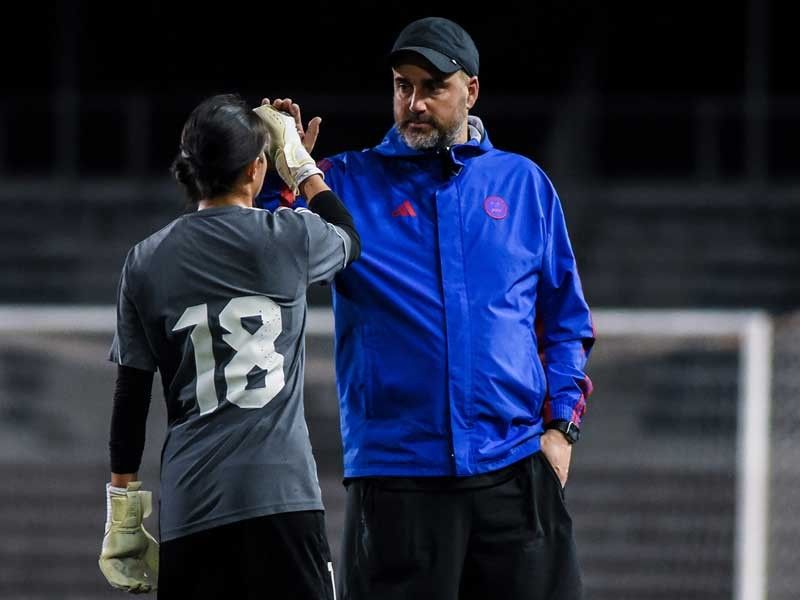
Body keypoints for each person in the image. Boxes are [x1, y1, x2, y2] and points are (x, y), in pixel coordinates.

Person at [260, 15, 595, 600]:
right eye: (401, 85)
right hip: (396, 483)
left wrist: (561, 429)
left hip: (515, 474)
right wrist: (285, 175)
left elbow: (564, 321)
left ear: (471, 90)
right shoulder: (342, 185)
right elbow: (263, 255)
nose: (413, 102)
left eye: (432, 87)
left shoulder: (524, 185)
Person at [98, 93, 360, 598]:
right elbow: (348, 235)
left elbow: (130, 398)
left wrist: (122, 512)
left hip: (193, 504)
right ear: (256, 168)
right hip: (281, 496)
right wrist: (301, 169)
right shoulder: (290, 237)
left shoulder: (145, 261)